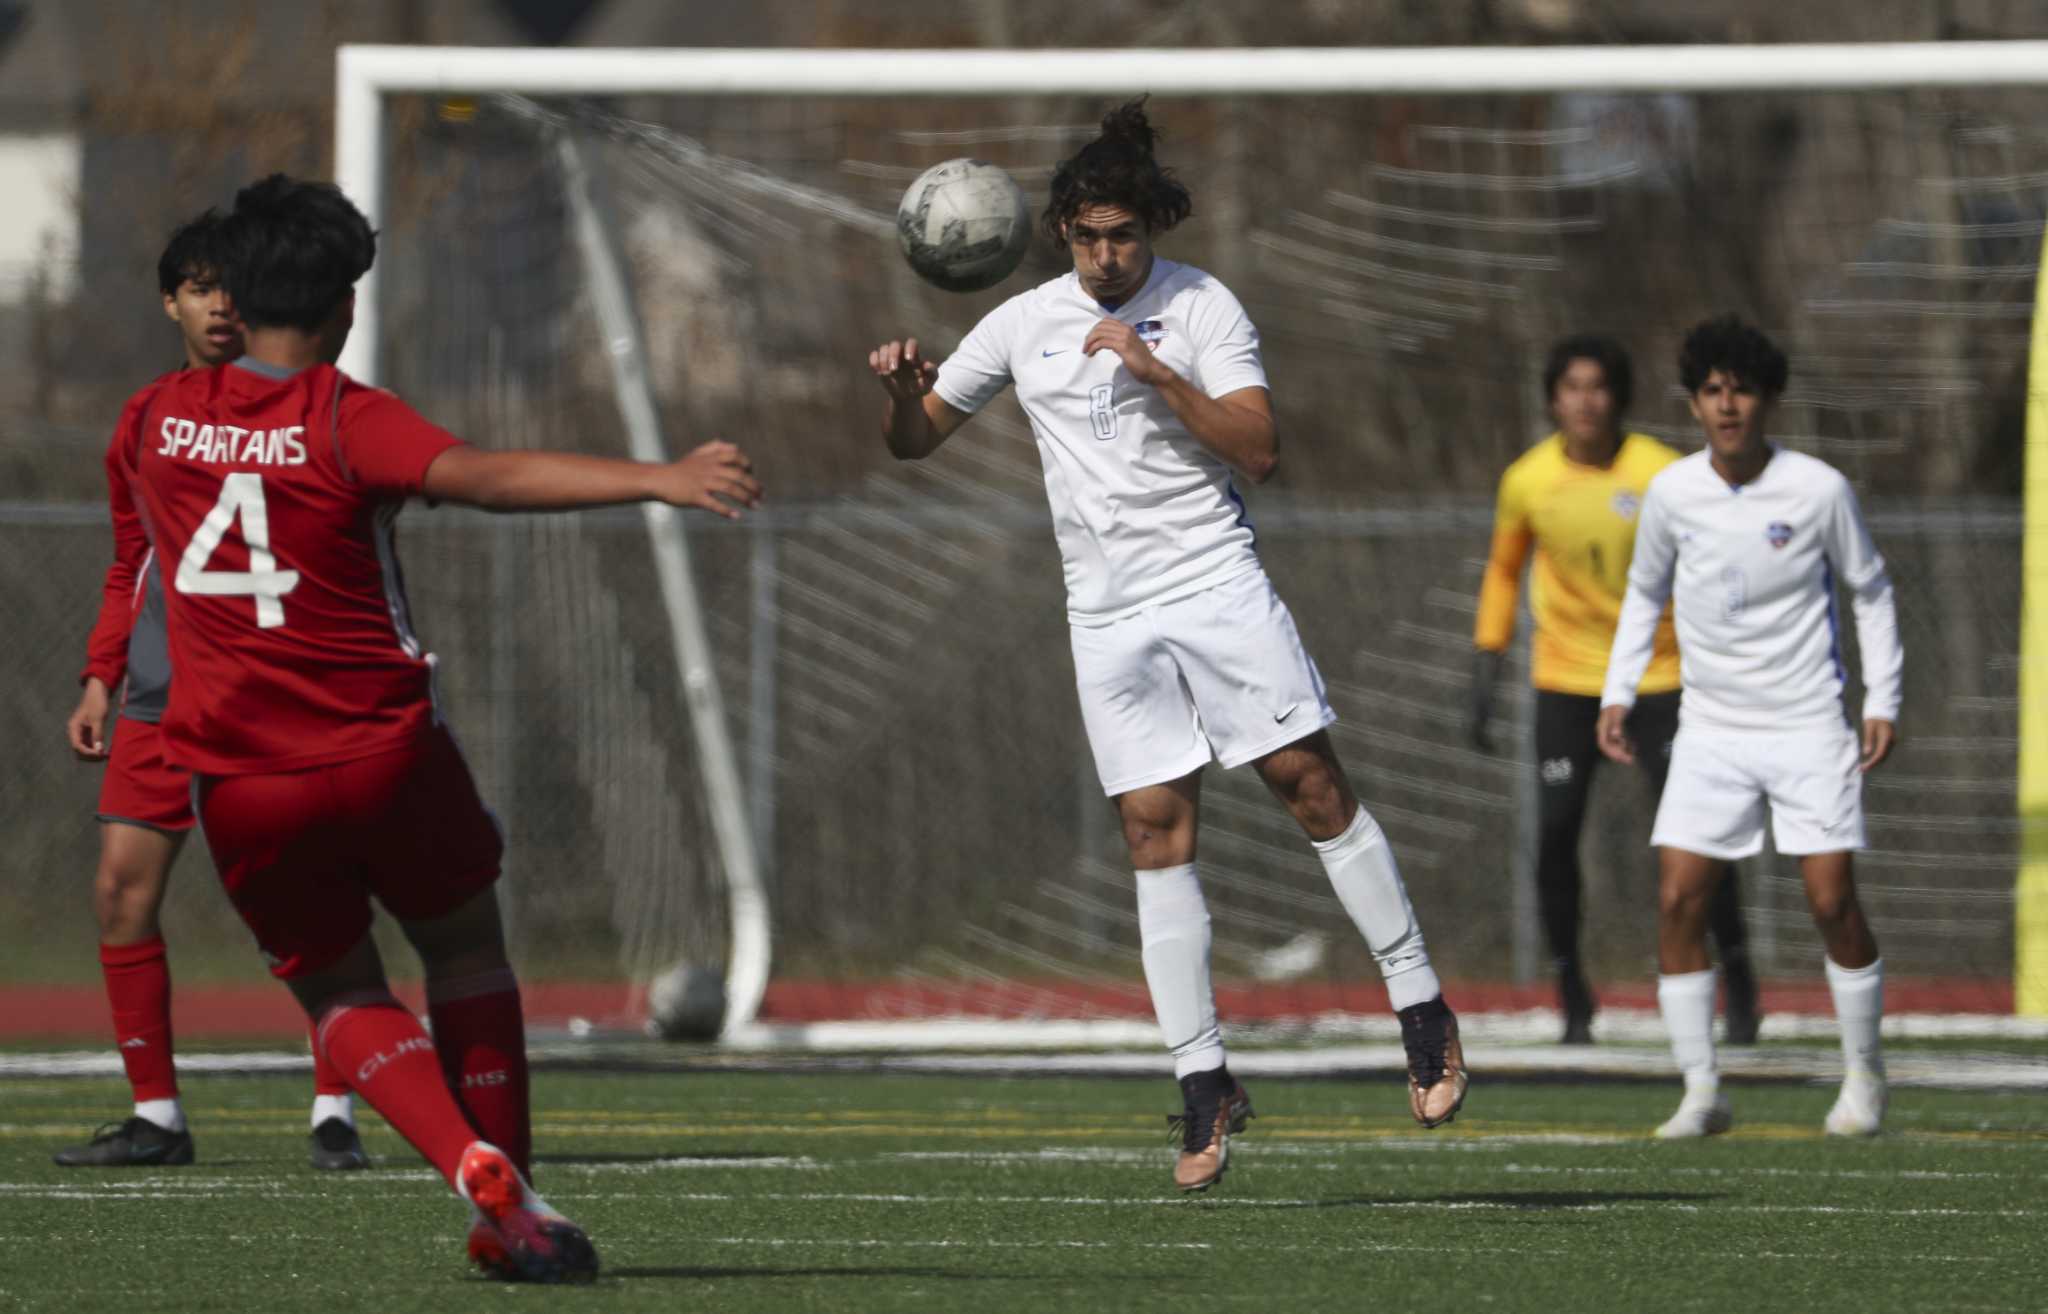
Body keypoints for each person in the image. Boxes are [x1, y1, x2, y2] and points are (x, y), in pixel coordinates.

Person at [118, 174, 761, 1280]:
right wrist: (658, 477)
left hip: (242, 775)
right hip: (386, 753)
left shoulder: (151, 421)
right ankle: (514, 1199)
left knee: (338, 991)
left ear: (233, 295)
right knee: (464, 950)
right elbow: (488, 477)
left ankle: (475, 1170)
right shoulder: (344, 416)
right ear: (343, 306)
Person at [866, 100, 1466, 1194]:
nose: (1107, 255)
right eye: (1089, 236)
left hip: (1212, 585)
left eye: (1125, 236)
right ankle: (1202, 1082)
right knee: (1153, 833)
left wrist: (1159, 376)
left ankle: (1420, 1010)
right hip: (1105, 616)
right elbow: (915, 442)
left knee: (1309, 784)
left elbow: (1261, 449)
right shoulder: (1020, 323)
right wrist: (905, 399)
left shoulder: (1200, 306)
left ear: (1152, 230)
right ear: (1061, 231)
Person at [58, 212, 369, 1171]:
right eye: (200, 288)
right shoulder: (147, 418)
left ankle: (336, 1109)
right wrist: (102, 675)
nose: (220, 305)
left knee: (313, 903)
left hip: (277, 698)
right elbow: (131, 561)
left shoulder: (313, 407)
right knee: (120, 892)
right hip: (162, 698)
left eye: (232, 286)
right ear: (171, 304)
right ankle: (156, 1115)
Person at [1598, 315, 1900, 1139]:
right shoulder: (1672, 493)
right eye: (1712, 391)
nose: (1727, 406)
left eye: (1742, 391)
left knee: (1832, 901)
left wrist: (1882, 700)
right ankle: (1702, 1090)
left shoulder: (1818, 489)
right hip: (1711, 730)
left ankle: (1865, 1077)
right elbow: (1645, 593)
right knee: (1677, 898)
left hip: (1808, 725)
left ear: (1769, 399)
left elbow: (1870, 590)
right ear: (1694, 403)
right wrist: (1617, 692)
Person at [1470, 334, 1759, 1045]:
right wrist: (1485, 666)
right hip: (1566, 682)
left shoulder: (1664, 473)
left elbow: (1714, 563)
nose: (1586, 402)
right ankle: (1572, 992)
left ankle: (1740, 979)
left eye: (1598, 387)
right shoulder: (1527, 480)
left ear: (1619, 397)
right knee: (1555, 833)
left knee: (1697, 836)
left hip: (1662, 678)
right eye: (1572, 388)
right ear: (1553, 399)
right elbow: (1504, 572)